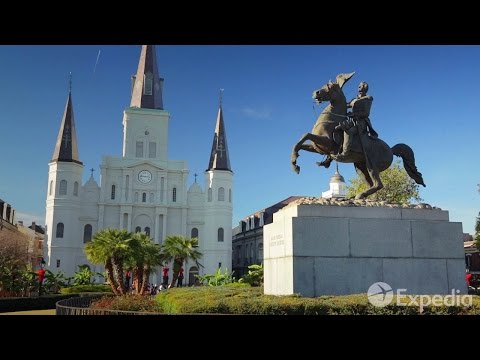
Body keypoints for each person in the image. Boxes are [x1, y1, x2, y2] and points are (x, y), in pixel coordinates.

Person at [335, 81, 378, 161]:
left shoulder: (368, 98)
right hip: (351, 121)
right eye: (358, 86)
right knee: (337, 128)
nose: (358, 87)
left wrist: (354, 114)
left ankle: (345, 153)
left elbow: (366, 113)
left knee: (348, 132)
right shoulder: (354, 99)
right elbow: (345, 105)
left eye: (360, 86)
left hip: (361, 122)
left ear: (365, 88)